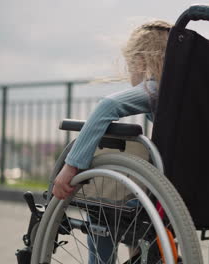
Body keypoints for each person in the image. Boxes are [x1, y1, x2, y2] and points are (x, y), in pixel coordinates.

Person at [51, 20, 172, 264]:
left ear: (140, 61)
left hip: (164, 194)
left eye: (130, 67)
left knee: (102, 207)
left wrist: (71, 166)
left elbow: (109, 105)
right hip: (198, 193)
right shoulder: (189, 94)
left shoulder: (156, 88)